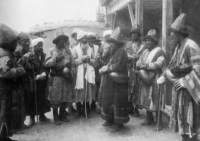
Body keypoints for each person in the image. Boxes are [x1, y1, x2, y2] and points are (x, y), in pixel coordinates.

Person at [157, 13, 200, 141]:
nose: (171, 36)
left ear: (179, 33)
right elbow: (173, 65)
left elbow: (198, 68)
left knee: (190, 122)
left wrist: (185, 81)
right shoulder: (178, 47)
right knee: (182, 122)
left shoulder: (190, 46)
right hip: (181, 91)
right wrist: (165, 75)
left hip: (190, 91)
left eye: (172, 33)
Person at [99, 27, 129, 129]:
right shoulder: (113, 52)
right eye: (111, 42)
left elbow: (118, 66)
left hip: (119, 81)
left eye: (113, 42)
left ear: (118, 43)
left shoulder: (122, 52)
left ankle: (119, 122)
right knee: (109, 100)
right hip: (111, 81)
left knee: (118, 101)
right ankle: (109, 119)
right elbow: (110, 63)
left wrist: (107, 68)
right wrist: (106, 66)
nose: (111, 44)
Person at [136, 29, 165, 125]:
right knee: (146, 98)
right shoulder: (145, 51)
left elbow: (159, 63)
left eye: (150, 40)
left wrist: (147, 66)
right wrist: (139, 64)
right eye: (146, 40)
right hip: (145, 77)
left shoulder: (159, 51)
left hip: (155, 77)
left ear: (154, 41)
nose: (148, 42)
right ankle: (149, 119)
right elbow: (139, 61)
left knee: (156, 98)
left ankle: (159, 121)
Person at [0, 23, 24, 141]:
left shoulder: (7, 53)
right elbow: (4, 73)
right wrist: (17, 71)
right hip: (3, 88)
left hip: (7, 88)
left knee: (6, 111)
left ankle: (5, 135)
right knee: (3, 112)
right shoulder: (4, 55)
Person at [45, 35, 73, 124]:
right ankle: (56, 117)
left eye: (65, 42)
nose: (64, 44)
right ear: (58, 42)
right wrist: (56, 58)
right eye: (63, 42)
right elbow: (47, 64)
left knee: (65, 96)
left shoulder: (67, 50)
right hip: (56, 77)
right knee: (56, 98)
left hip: (66, 76)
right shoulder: (52, 51)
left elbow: (71, 61)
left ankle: (62, 115)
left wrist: (68, 67)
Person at [73, 33, 96, 117]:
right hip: (79, 73)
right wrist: (81, 59)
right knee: (79, 90)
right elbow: (73, 62)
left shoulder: (90, 49)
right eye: (82, 39)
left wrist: (89, 60)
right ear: (79, 40)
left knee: (87, 90)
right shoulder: (75, 49)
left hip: (88, 72)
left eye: (85, 38)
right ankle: (79, 109)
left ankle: (87, 109)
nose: (84, 40)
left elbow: (95, 61)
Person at [30, 38, 50, 122]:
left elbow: (46, 66)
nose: (41, 48)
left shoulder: (44, 55)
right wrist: (36, 76)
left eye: (41, 45)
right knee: (32, 99)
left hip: (43, 81)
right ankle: (32, 118)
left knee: (42, 98)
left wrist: (44, 73)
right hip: (34, 81)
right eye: (39, 46)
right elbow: (29, 69)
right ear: (34, 47)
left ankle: (42, 115)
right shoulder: (30, 56)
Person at [125, 28, 142, 117]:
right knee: (129, 87)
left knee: (137, 88)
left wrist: (137, 58)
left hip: (138, 70)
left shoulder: (142, 45)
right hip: (130, 69)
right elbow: (125, 55)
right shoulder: (128, 44)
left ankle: (136, 108)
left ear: (138, 36)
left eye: (135, 34)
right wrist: (131, 57)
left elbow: (142, 56)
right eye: (132, 34)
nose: (133, 36)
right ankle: (129, 106)